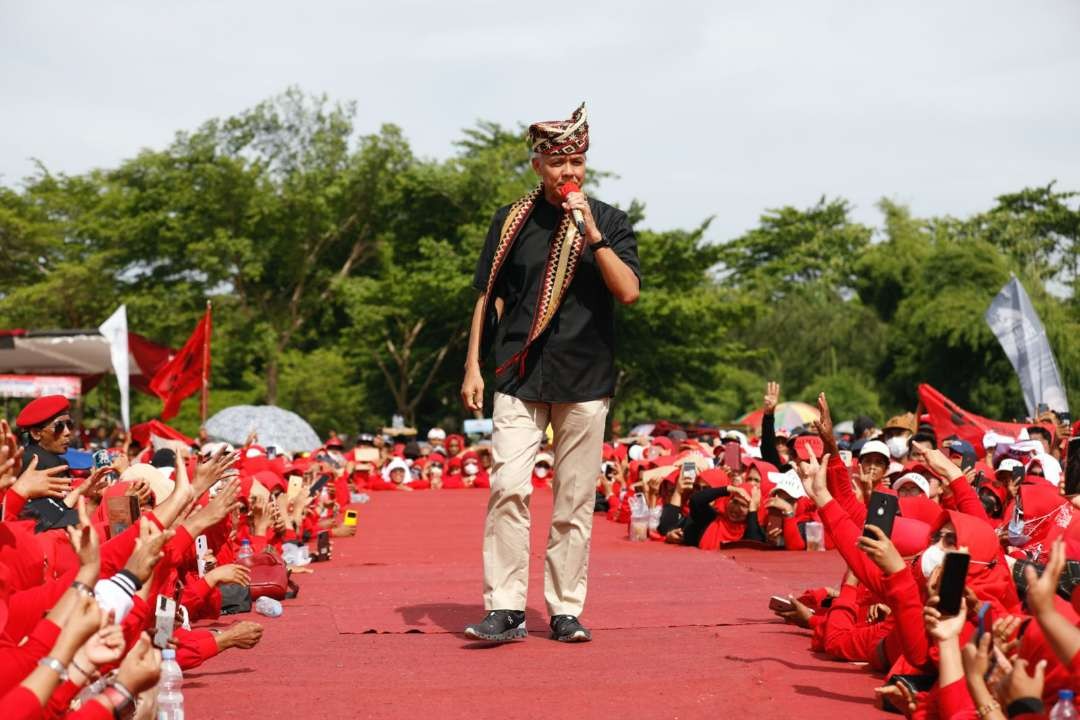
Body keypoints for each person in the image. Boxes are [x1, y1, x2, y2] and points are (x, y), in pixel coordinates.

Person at [460, 103, 640, 644]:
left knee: (574, 498)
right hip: (518, 371)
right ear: (537, 164)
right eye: (559, 162)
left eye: (578, 161)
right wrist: (472, 363)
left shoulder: (607, 220)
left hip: (586, 377)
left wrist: (591, 232)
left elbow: (628, 291)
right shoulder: (511, 221)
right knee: (509, 488)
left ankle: (564, 608)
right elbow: (486, 297)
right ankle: (506, 608)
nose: (569, 173)